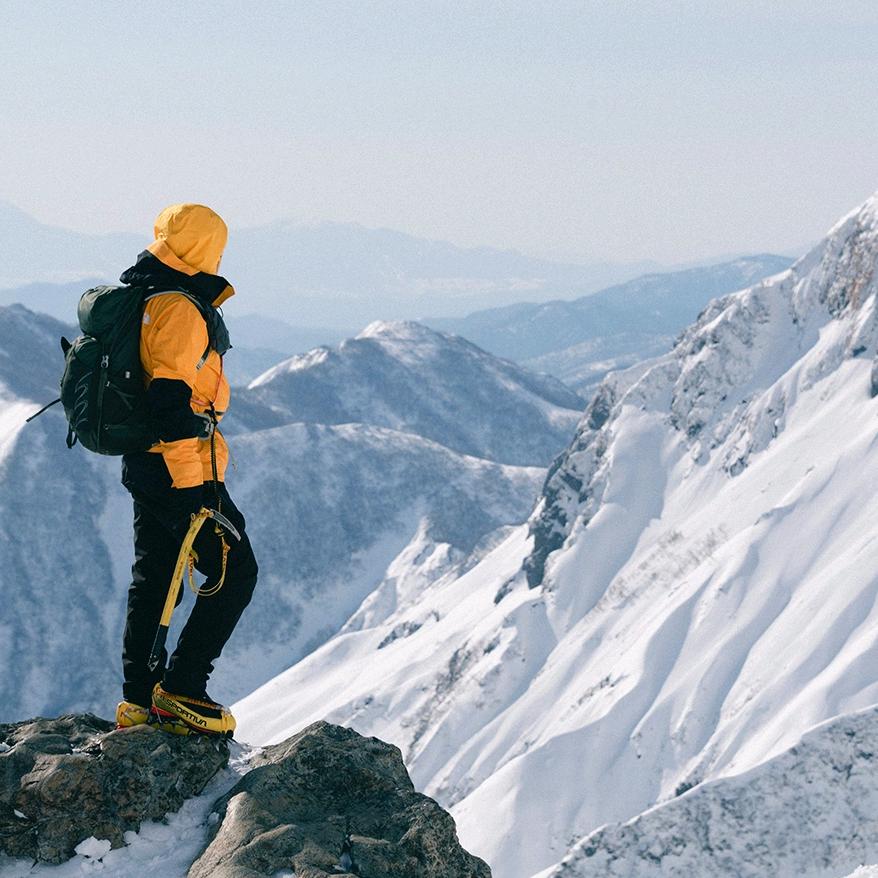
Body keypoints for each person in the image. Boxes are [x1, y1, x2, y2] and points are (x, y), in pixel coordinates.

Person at [113, 203, 258, 736]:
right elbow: (171, 405)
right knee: (234, 570)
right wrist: (194, 490)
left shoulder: (151, 292)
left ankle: (138, 699)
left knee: (156, 577)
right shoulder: (178, 307)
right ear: (206, 247)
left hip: (150, 464)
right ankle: (182, 691)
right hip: (181, 468)